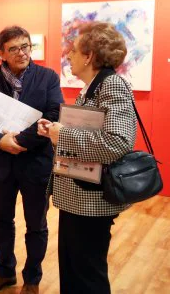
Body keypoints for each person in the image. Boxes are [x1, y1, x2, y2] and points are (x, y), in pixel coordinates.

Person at [38, 22, 136, 294]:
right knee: (73, 269)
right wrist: (54, 132)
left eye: (73, 50)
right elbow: (90, 133)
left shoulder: (112, 85)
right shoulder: (94, 85)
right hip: (78, 197)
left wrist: (63, 135)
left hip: (91, 201)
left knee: (87, 275)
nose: (68, 55)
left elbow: (118, 142)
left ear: (89, 55)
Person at [0, 26, 64, 294]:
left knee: (36, 224)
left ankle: (32, 279)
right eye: (13, 48)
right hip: (0, 163)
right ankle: (4, 272)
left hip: (36, 163)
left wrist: (20, 142)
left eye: (26, 46)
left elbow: (52, 114)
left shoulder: (47, 77)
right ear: (1, 53)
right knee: (1, 220)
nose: (22, 52)